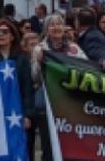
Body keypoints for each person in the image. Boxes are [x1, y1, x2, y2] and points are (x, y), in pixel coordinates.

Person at [30, 14, 85, 161]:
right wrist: (39, 63)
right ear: (47, 29)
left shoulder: (74, 49)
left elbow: (87, 70)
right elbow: (34, 77)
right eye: (52, 25)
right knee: (48, 142)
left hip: (69, 100)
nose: (56, 28)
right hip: (48, 100)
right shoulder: (40, 48)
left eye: (59, 24)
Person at [0, 19, 34, 130]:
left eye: (5, 32)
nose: (0, 35)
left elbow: (27, 87)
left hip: (16, 108)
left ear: (12, 36)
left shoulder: (22, 57)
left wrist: (28, 115)